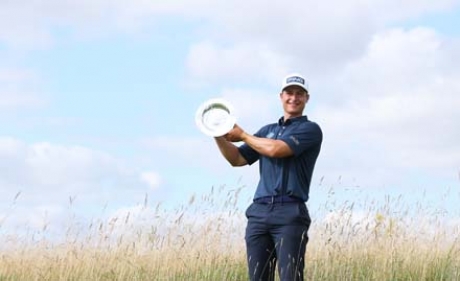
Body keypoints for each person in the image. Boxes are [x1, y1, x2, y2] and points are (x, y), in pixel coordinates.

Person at [214, 73, 323, 281]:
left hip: (290, 212)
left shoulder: (310, 129)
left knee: (290, 277)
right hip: (259, 212)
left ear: (306, 98)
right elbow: (237, 159)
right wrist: (217, 132)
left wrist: (244, 135)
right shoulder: (267, 130)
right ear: (281, 96)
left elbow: (277, 150)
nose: (294, 98)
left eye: (299, 94)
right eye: (289, 93)